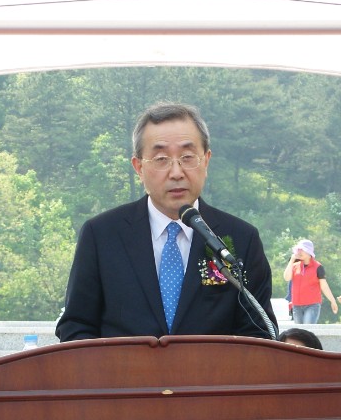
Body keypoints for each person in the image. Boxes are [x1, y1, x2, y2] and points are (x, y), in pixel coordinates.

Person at [55, 102, 276, 341]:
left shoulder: (241, 238)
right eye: (161, 159)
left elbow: (259, 332)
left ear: (206, 160)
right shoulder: (101, 235)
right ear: (138, 167)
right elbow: (76, 326)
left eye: (187, 157)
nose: (176, 172)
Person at [282, 239, 339, 324]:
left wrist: (332, 301)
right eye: (298, 250)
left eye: (302, 250)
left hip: (312, 305)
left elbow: (324, 286)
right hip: (296, 306)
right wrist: (292, 260)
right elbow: (287, 278)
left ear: (309, 252)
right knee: (299, 331)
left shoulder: (318, 267)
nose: (299, 252)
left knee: (307, 329)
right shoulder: (294, 266)